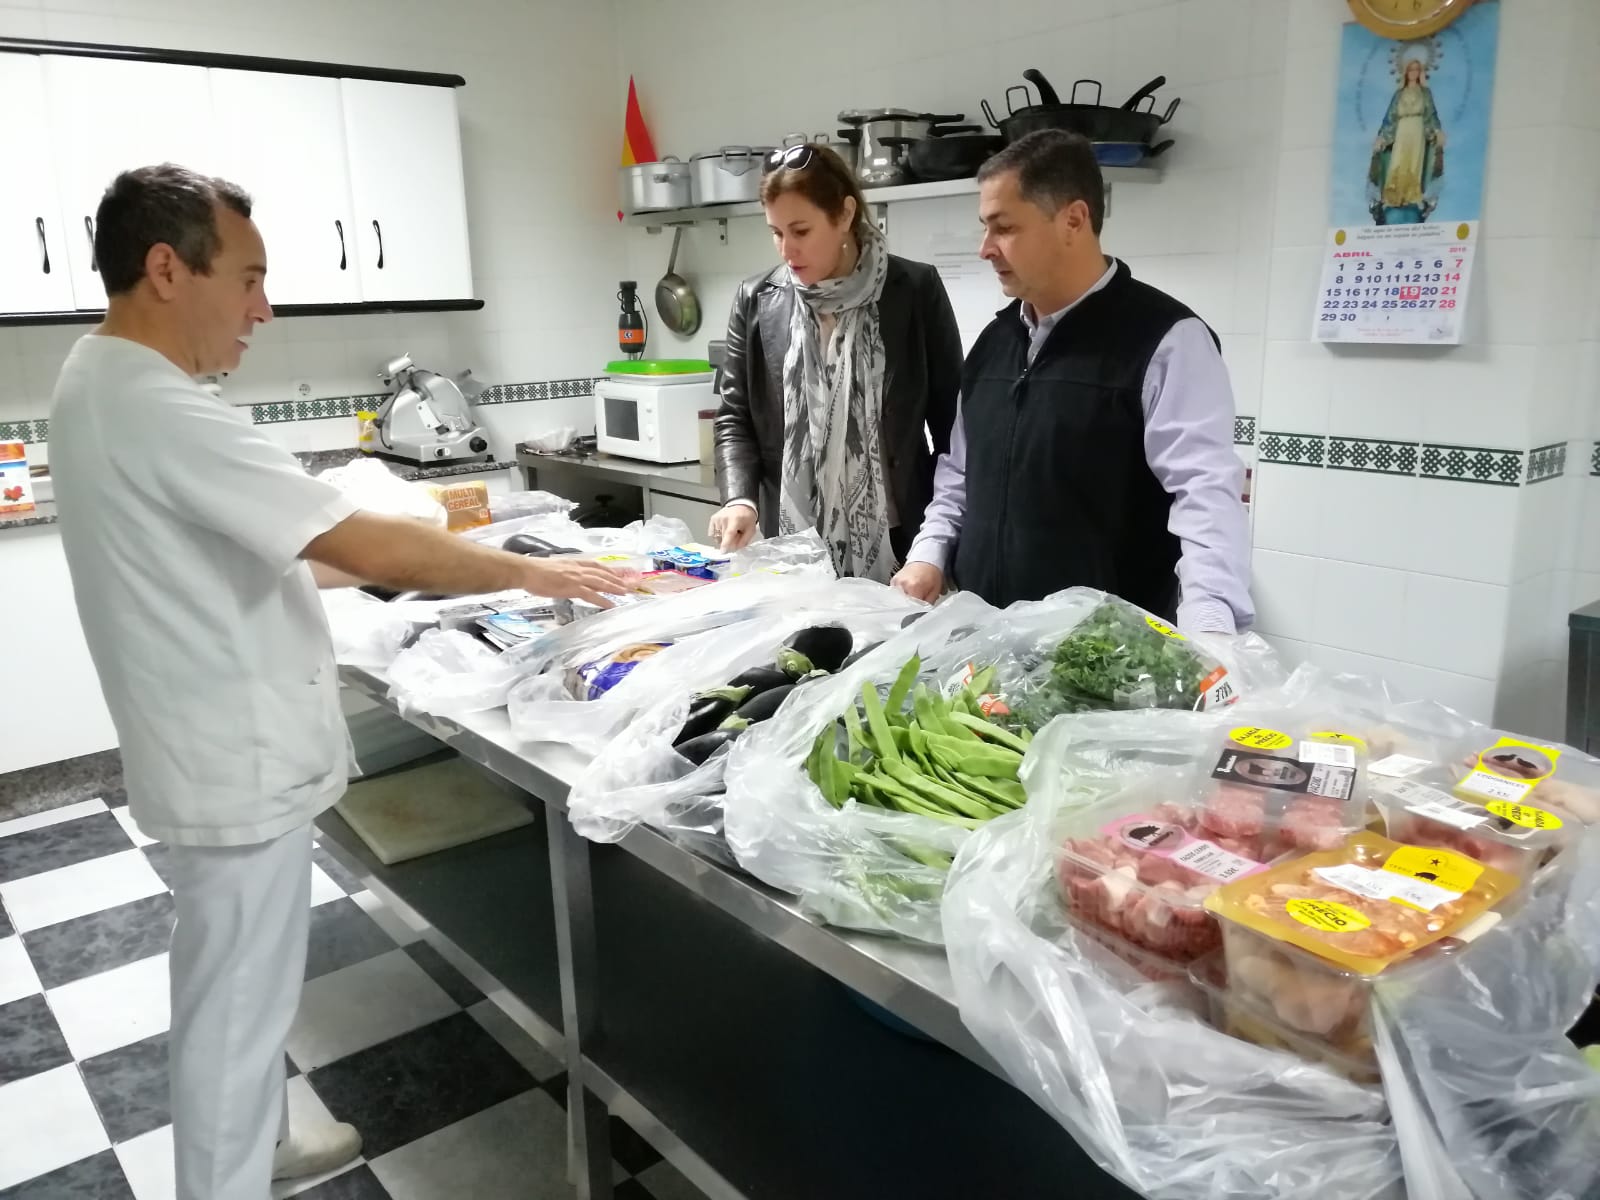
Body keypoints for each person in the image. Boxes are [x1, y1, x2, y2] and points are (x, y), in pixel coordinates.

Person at [48, 164, 629, 1200]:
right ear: (167, 268)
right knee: (233, 1009)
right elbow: (363, 549)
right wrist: (532, 569)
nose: (261, 310)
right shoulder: (161, 406)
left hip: (202, 748)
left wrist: (463, 538)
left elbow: (292, 547)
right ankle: (230, 1175)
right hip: (234, 759)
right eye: (251, 279)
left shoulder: (98, 381)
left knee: (231, 985)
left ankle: (267, 1142)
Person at [891, 130, 1252, 635]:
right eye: (985, 228)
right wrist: (929, 554)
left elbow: (1206, 495)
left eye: (1004, 228)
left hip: (1104, 660)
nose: (985, 249)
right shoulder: (994, 343)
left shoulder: (1166, 341)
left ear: (1074, 220)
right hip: (982, 646)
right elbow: (958, 475)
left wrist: (1211, 622)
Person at [709, 142, 962, 581]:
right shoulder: (757, 298)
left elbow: (953, 429)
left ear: (844, 215)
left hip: (901, 547)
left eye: (801, 231)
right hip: (789, 546)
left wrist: (939, 545)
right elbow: (735, 417)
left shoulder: (914, 290)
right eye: (775, 232)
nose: (786, 250)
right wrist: (740, 498)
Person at [1369, 55, 1445, 225]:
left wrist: (1437, 131)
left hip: (1417, 128)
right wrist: (1382, 136)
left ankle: (1411, 196)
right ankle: (1393, 196)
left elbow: (1431, 114)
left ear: (1420, 72)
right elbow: (1390, 118)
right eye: (1411, 69)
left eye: (1417, 69)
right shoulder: (1399, 94)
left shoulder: (1425, 93)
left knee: (1414, 164)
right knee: (1397, 162)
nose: (1413, 73)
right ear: (1406, 72)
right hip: (1401, 130)